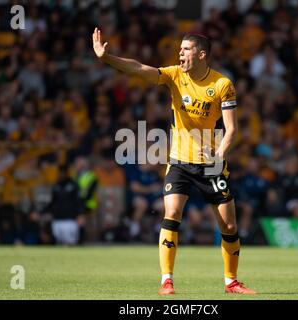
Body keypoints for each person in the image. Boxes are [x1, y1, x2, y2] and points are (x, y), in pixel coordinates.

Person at [92, 28, 256, 294]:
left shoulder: (222, 84)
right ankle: (166, 280)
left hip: (211, 163)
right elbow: (139, 69)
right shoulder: (174, 76)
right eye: (179, 49)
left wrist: (220, 154)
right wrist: (108, 57)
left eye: (186, 49)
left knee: (228, 225)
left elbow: (232, 129)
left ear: (201, 54)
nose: (180, 54)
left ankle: (231, 281)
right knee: (172, 213)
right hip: (179, 161)